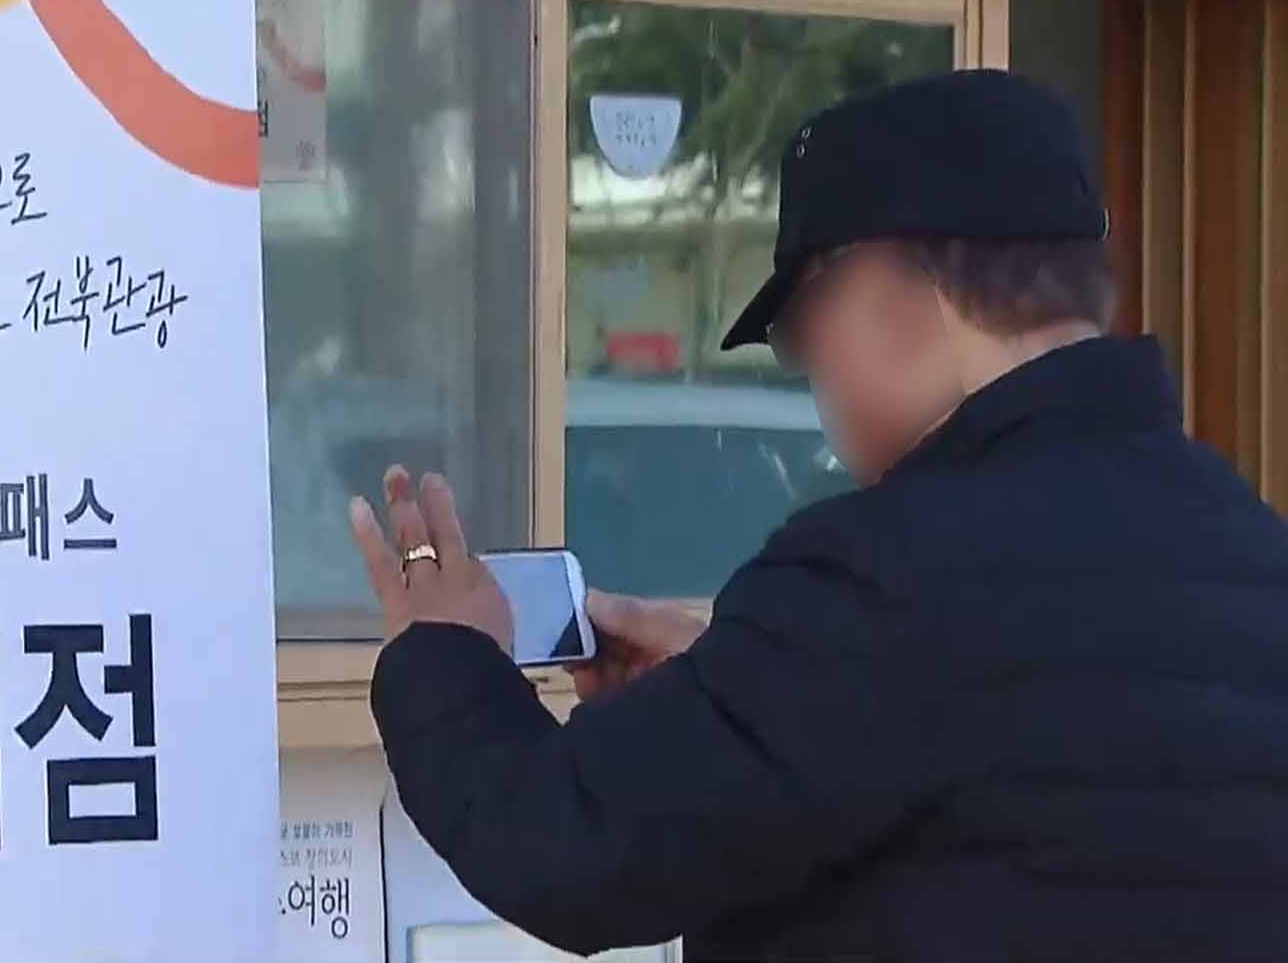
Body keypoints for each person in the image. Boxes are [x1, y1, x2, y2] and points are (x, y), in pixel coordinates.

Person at [350, 69, 1288, 960]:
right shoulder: (1251, 548)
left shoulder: (884, 577)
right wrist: (733, 690)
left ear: (895, 293)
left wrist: (446, 655)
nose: (814, 378)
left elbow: (567, 848)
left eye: (802, 331)